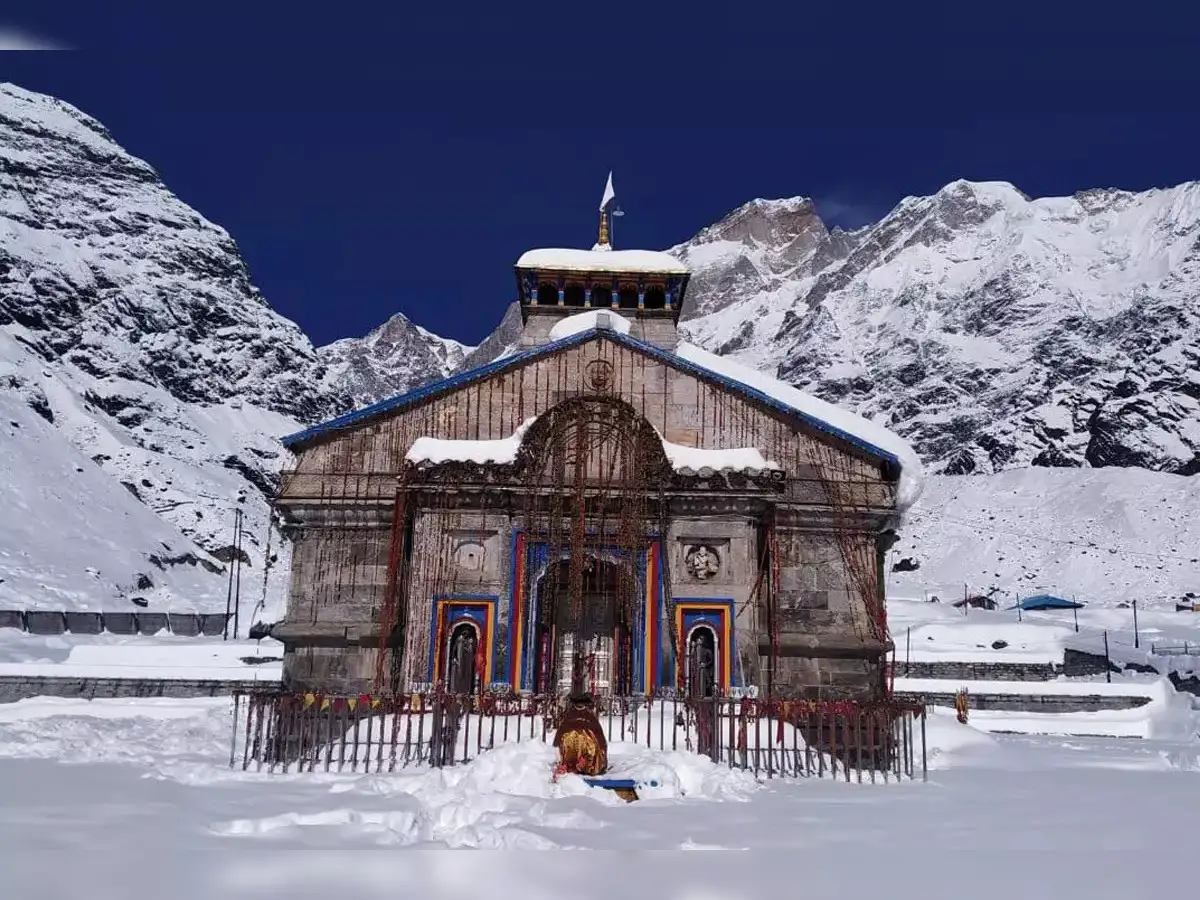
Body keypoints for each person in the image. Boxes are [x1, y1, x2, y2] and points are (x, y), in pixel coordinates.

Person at [552, 692, 608, 776]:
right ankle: (576, 763)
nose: (580, 705)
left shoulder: (585, 715)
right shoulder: (572, 714)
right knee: (574, 737)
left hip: (585, 750)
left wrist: (602, 746)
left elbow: (597, 731)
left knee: (583, 738)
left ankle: (581, 763)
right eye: (578, 703)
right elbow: (562, 729)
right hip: (574, 750)